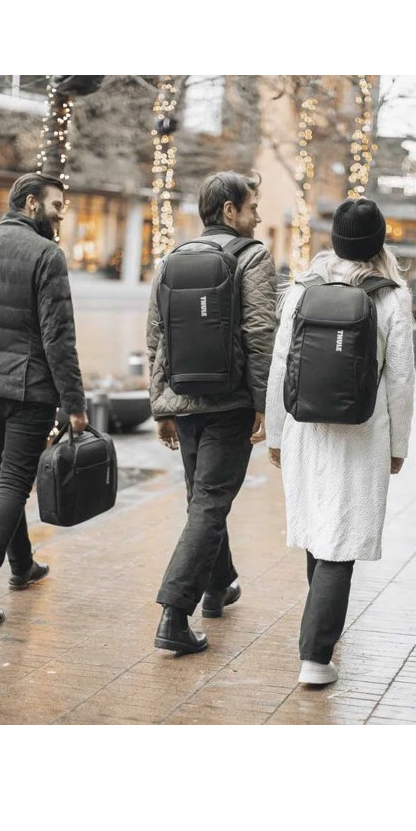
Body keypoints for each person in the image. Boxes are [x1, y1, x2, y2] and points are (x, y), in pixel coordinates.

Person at [265, 198, 415, 686]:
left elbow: (281, 365)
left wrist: (276, 431)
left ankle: (320, 628)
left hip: (306, 428)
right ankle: (315, 655)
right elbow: (400, 380)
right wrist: (398, 444)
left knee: (319, 529)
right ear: (379, 242)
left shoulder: (302, 289)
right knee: (340, 538)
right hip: (362, 431)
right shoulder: (391, 297)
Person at [0, 172, 88, 624]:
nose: (60, 215)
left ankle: (22, 565)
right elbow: (58, 336)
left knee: (8, 477)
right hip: (30, 390)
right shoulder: (46, 255)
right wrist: (75, 403)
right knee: (13, 485)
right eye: (56, 205)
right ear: (30, 204)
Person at [147, 171, 278, 655]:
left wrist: (161, 405)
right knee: (210, 503)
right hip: (229, 403)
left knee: (201, 500)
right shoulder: (253, 257)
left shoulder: (173, 259)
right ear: (229, 210)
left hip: (183, 400)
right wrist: (263, 403)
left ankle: (218, 584)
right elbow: (260, 333)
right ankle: (174, 614)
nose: (257, 217)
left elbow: (156, 336)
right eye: (252, 207)